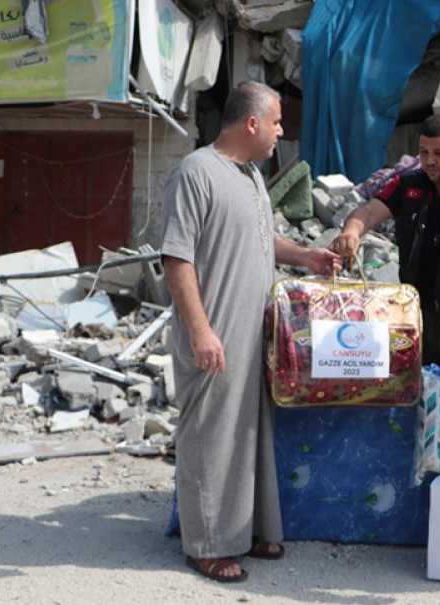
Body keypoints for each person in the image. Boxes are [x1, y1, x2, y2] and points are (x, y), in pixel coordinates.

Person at [161, 81, 340, 583]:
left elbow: (259, 237)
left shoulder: (252, 176)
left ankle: (250, 531)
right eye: (277, 122)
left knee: (248, 435)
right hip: (215, 332)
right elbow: (176, 258)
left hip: (253, 332)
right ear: (253, 122)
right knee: (211, 436)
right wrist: (200, 331)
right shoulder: (196, 172)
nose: (282, 131)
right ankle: (208, 545)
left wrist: (304, 256)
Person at [330, 115, 440, 369]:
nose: (429, 160)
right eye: (423, 152)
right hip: (413, 315)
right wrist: (352, 231)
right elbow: (369, 211)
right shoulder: (408, 185)